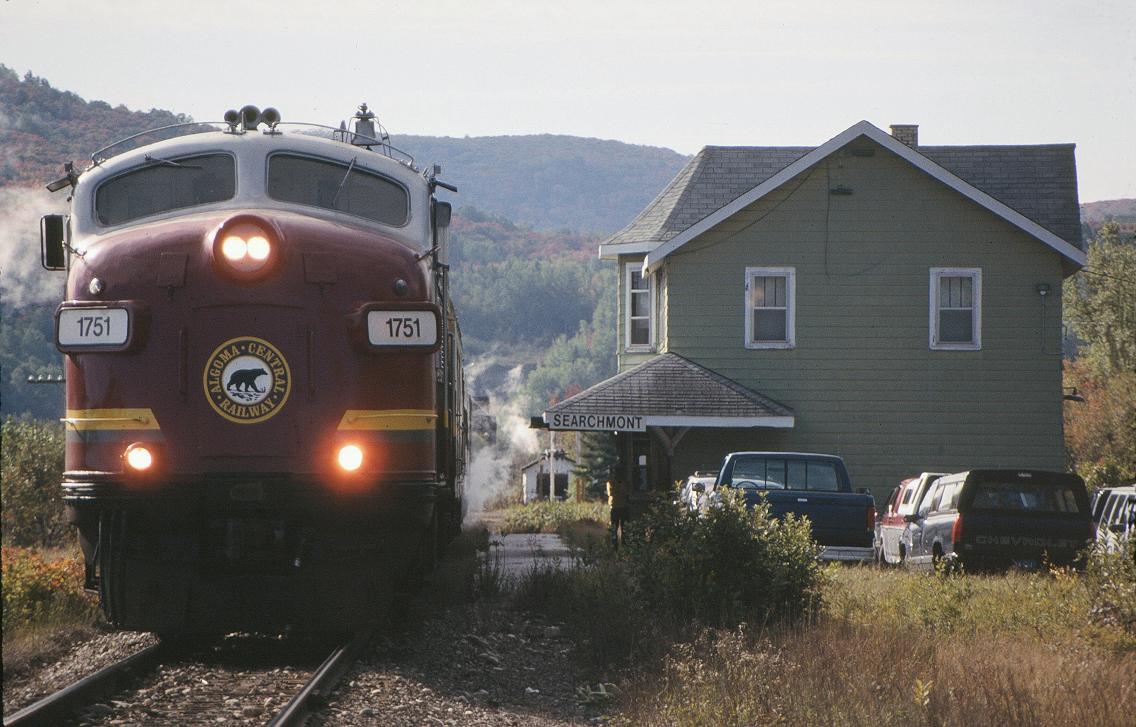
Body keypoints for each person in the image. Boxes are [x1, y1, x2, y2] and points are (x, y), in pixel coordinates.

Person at [607, 473, 630, 548]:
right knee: (614, 529)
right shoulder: (611, 482)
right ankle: (614, 546)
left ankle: (624, 545)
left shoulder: (624, 482)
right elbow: (610, 493)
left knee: (624, 529)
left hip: (622, 507)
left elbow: (626, 492)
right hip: (616, 507)